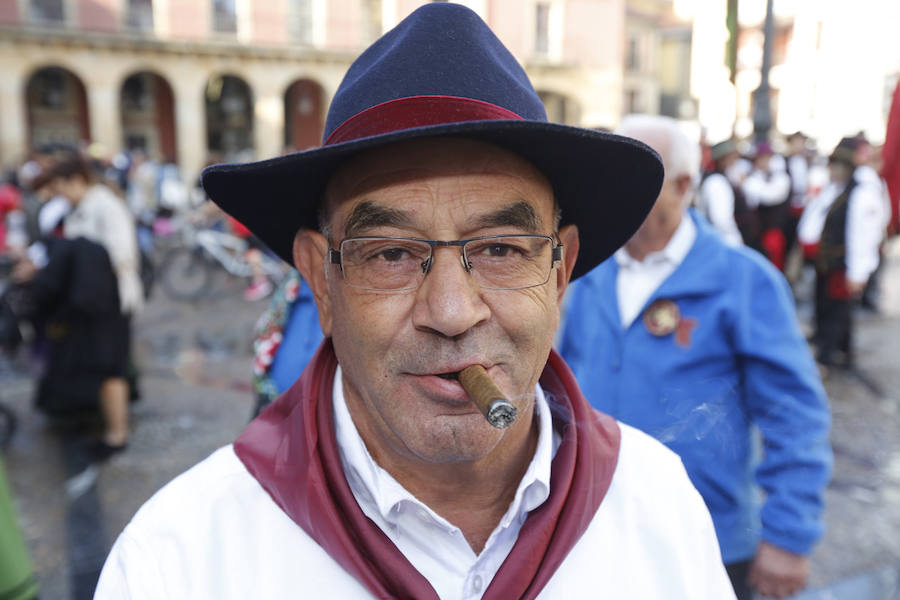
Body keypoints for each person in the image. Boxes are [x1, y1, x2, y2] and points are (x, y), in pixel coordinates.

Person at [94, 5, 736, 598]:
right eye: (390, 254)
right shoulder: (181, 561)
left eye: (502, 250)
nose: (453, 312)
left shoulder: (657, 505)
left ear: (560, 270)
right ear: (321, 280)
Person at [558, 115, 832, 600]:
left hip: (709, 533)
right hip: (592, 527)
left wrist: (790, 534)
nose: (615, 191)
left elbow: (794, 414)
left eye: (636, 177)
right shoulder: (587, 274)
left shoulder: (742, 280)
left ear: (684, 185)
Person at [26, 157, 142, 458]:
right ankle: (110, 427)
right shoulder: (78, 209)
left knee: (111, 368)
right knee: (103, 366)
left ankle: (117, 435)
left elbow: (123, 255)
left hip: (110, 302)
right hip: (91, 303)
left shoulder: (107, 206)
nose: (59, 193)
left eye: (60, 186)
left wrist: (81, 265)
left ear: (77, 179)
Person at [798, 137, 885, 369]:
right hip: (829, 261)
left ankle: (830, 354)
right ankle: (839, 349)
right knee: (830, 306)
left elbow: (862, 235)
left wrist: (858, 271)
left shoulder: (860, 193)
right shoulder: (837, 189)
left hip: (843, 262)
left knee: (836, 309)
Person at [698, 138, 758, 248]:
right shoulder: (716, 182)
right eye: (732, 156)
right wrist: (736, 242)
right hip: (725, 244)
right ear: (723, 159)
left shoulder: (723, 178)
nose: (735, 159)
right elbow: (721, 221)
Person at [742, 141, 792, 270]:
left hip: (773, 232)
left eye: (766, 158)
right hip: (756, 233)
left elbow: (769, 196)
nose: (762, 162)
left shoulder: (781, 178)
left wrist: (747, 183)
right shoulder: (755, 176)